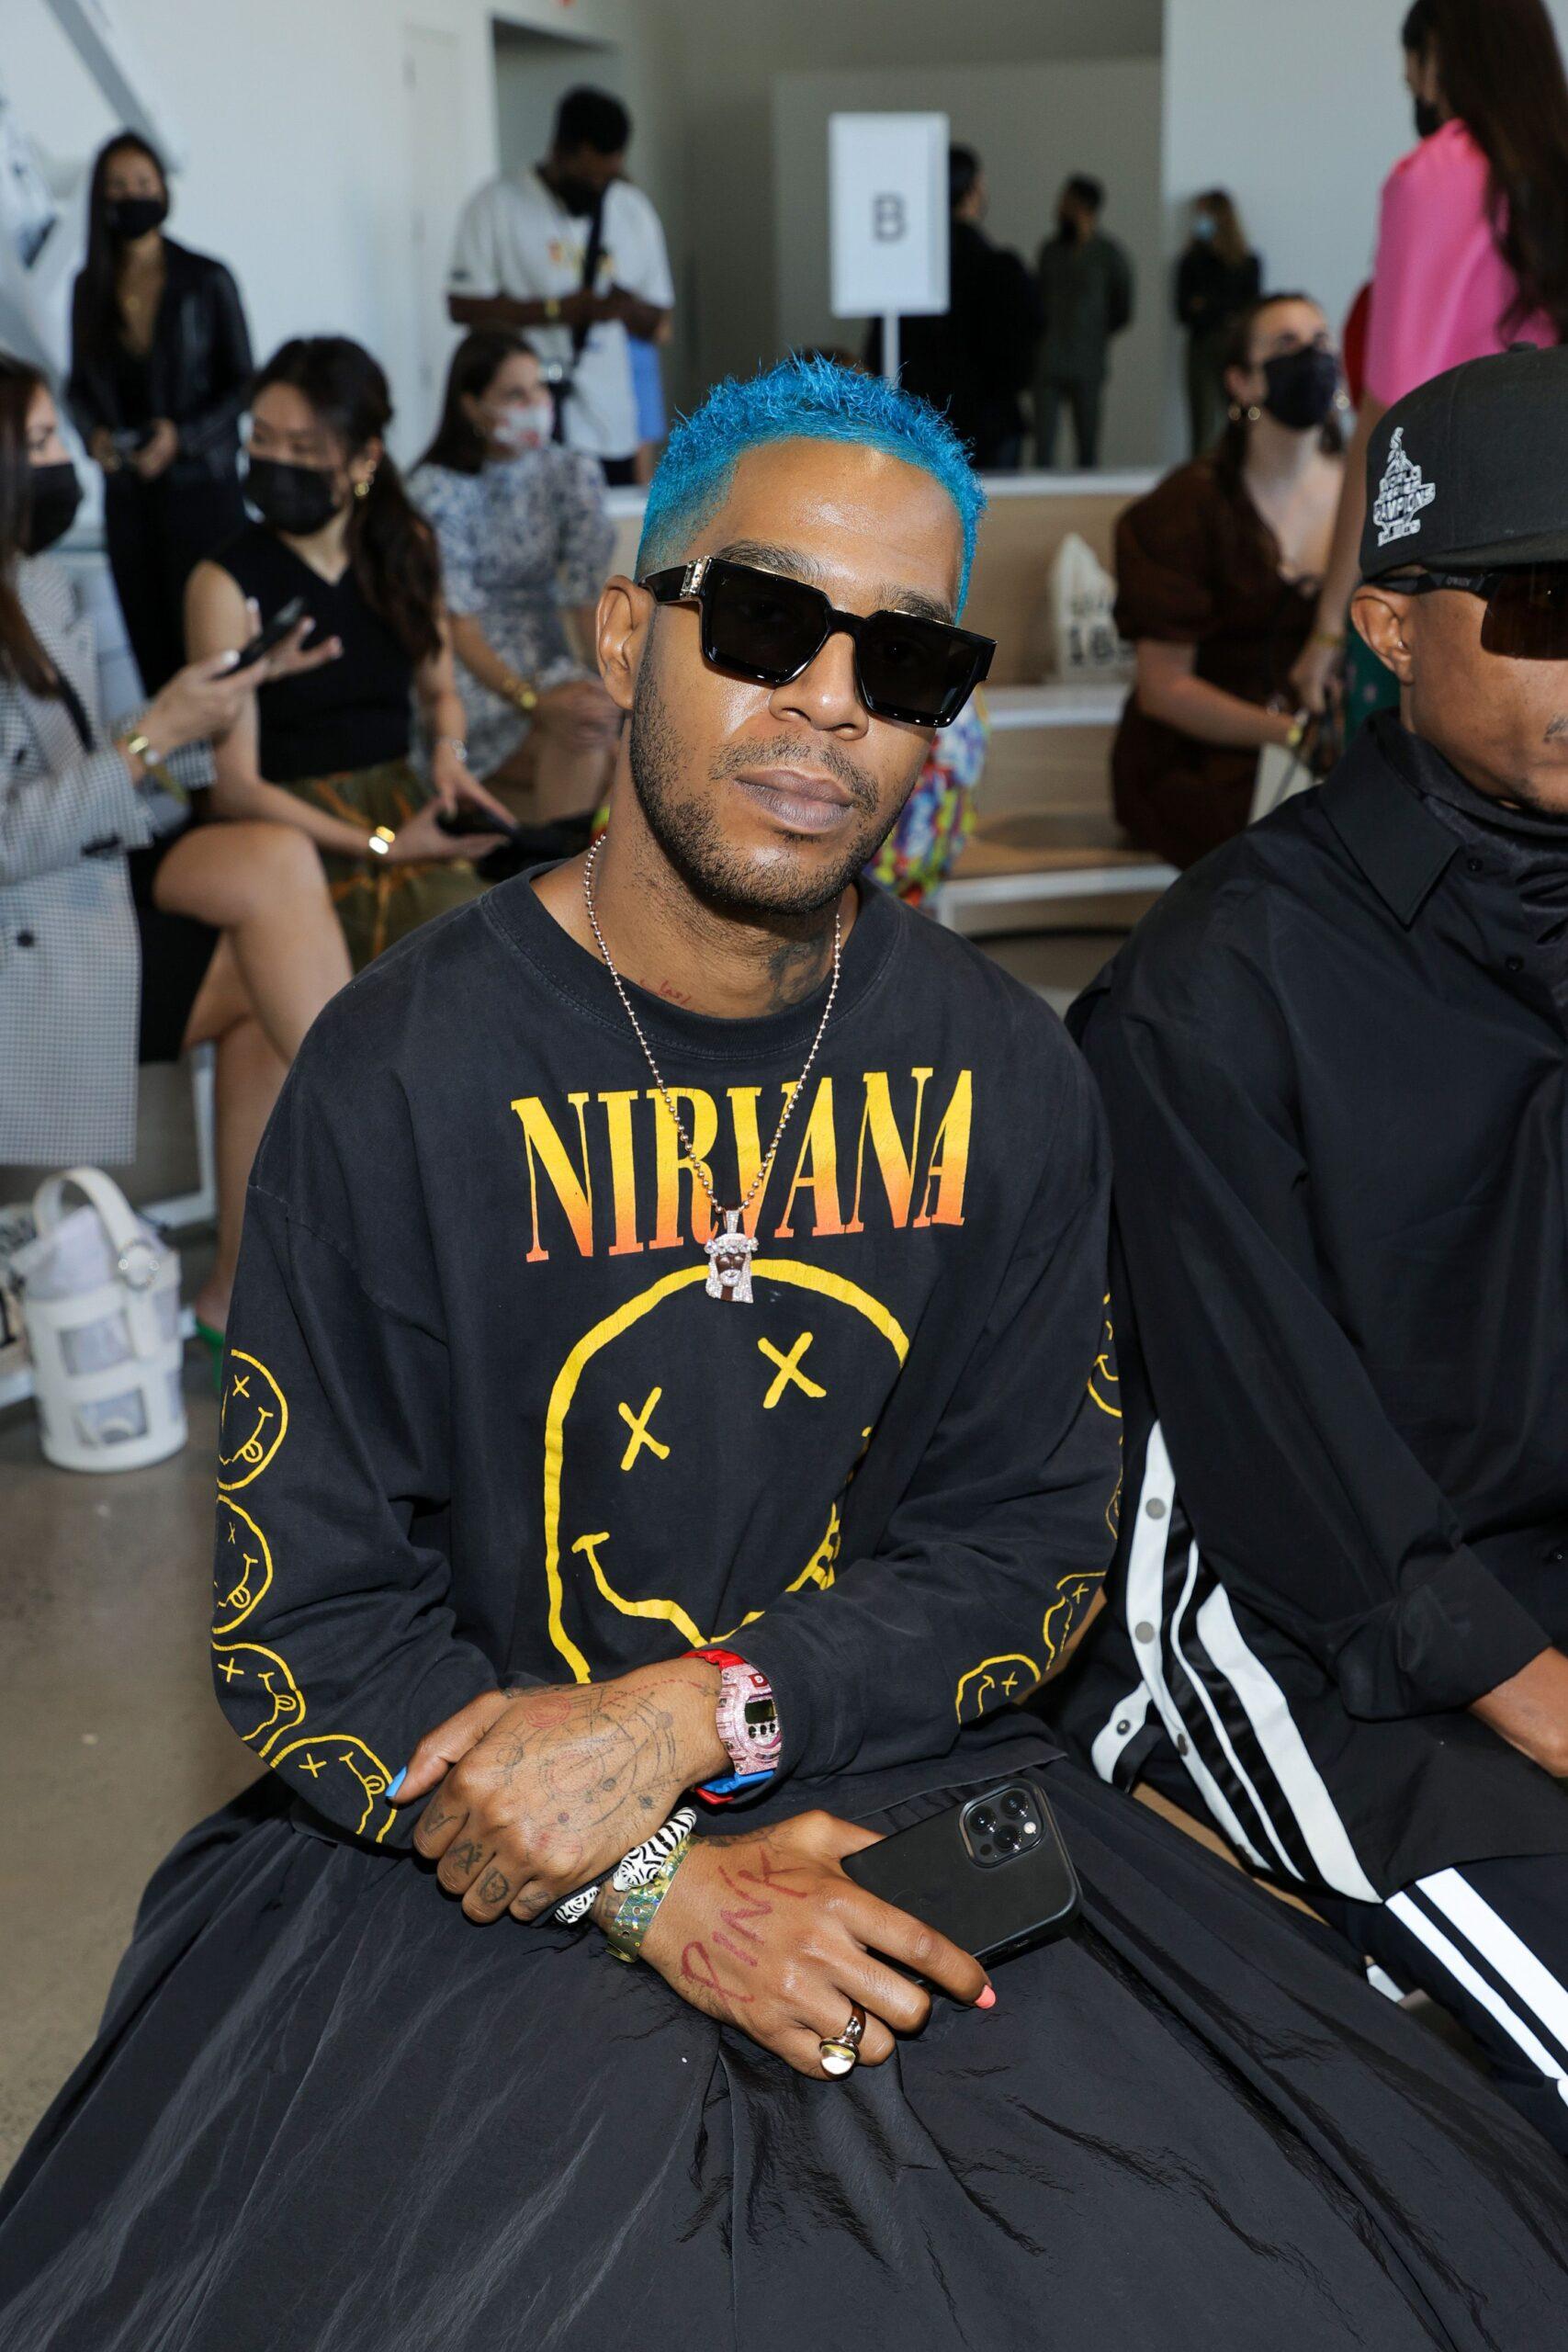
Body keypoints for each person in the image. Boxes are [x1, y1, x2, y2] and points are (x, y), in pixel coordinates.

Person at [4, 354, 1566, 2351]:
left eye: (903, 659)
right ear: (623, 634)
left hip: (900, 1773)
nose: (829, 701)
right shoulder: (397, 1073)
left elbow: (1026, 1551)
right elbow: (304, 1617)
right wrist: (651, 1879)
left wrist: (701, 1714)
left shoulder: (1008, 1073)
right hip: (465, 1839)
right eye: (761, 624)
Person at [1055, 342, 1568, 2156]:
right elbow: (1275, 1455)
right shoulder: (1219, 984)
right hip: (1283, 1630)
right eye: (1542, 608)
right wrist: (1535, 1695)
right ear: (1386, 627)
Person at [0, 356, 349, 1344]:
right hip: (27, 939)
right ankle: (394, 1170)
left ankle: (243, 1290)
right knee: (264, 954)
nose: (65, 464)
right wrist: (150, 741)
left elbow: (124, 784)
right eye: (39, 444)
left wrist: (209, 710)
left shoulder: (42, 585)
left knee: (272, 870)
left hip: (81, 892)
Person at [186, 337, 509, 972]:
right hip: (289, 832)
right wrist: (381, 846)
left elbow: (440, 692)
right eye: (262, 439)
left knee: (498, 942)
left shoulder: (405, 547)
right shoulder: (222, 582)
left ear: (365, 459)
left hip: (398, 801)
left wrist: (449, 757)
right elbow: (235, 788)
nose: (277, 462)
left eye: (304, 449)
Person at [1294, 0, 1568, 719]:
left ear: (1437, 58)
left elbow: (1389, 419)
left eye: (1410, 69)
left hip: (1461, 572)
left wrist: (1327, 625)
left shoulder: (1437, 175)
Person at [1110, 293, 1347, 869]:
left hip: (1334, 748)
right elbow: (1163, 689)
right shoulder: (1186, 509)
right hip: (1205, 757)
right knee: (1289, 843)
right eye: (1286, 344)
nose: (1310, 357)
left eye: (1320, 342)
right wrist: (1290, 735)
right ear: (1241, 382)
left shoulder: (1365, 494)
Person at [67, 132, 254, 695]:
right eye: (119, 186)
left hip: (202, 492)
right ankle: (175, 753)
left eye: (143, 183)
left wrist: (182, 437)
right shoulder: (89, 287)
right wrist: (94, 436)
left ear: (163, 190)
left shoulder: (207, 278)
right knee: (155, 657)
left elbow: (244, 382)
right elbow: (79, 385)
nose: (133, 195)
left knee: (218, 653)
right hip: (130, 501)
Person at [409, 332, 621, 822]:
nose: (536, 405)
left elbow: (585, 600)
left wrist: (616, 688)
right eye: (514, 395)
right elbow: (459, 627)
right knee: (586, 735)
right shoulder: (438, 492)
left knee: (600, 720)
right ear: (471, 405)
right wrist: (531, 700)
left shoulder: (569, 473)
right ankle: (556, 858)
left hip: (551, 659)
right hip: (469, 674)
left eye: (539, 388)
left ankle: (564, 854)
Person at [446, 86, 673, 486]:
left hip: (610, 426)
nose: (598, 190)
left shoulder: (631, 209)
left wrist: (622, 308)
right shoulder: (498, 204)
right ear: (559, 151)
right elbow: (462, 306)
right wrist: (555, 311)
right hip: (523, 425)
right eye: (587, 178)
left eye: (607, 178)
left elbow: (657, 320)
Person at [865, 144, 1037, 469]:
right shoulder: (999, 269)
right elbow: (1021, 359)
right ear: (973, 191)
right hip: (989, 426)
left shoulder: (903, 272)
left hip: (920, 427)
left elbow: (881, 354)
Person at [1032, 175, 1134, 470]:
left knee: (1088, 446)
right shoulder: (1051, 251)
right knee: (1043, 446)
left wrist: (1095, 332)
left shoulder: (1108, 255)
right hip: (1048, 359)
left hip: (1087, 361)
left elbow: (1123, 307)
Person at [1176, 190, 1262, 455]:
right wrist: (1223, 309)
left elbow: (1250, 310)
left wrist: (1207, 304)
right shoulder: (1191, 261)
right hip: (1201, 344)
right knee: (1201, 423)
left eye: (1204, 214)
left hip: (1233, 346)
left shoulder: (1247, 262)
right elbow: (1184, 311)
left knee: (1239, 417)